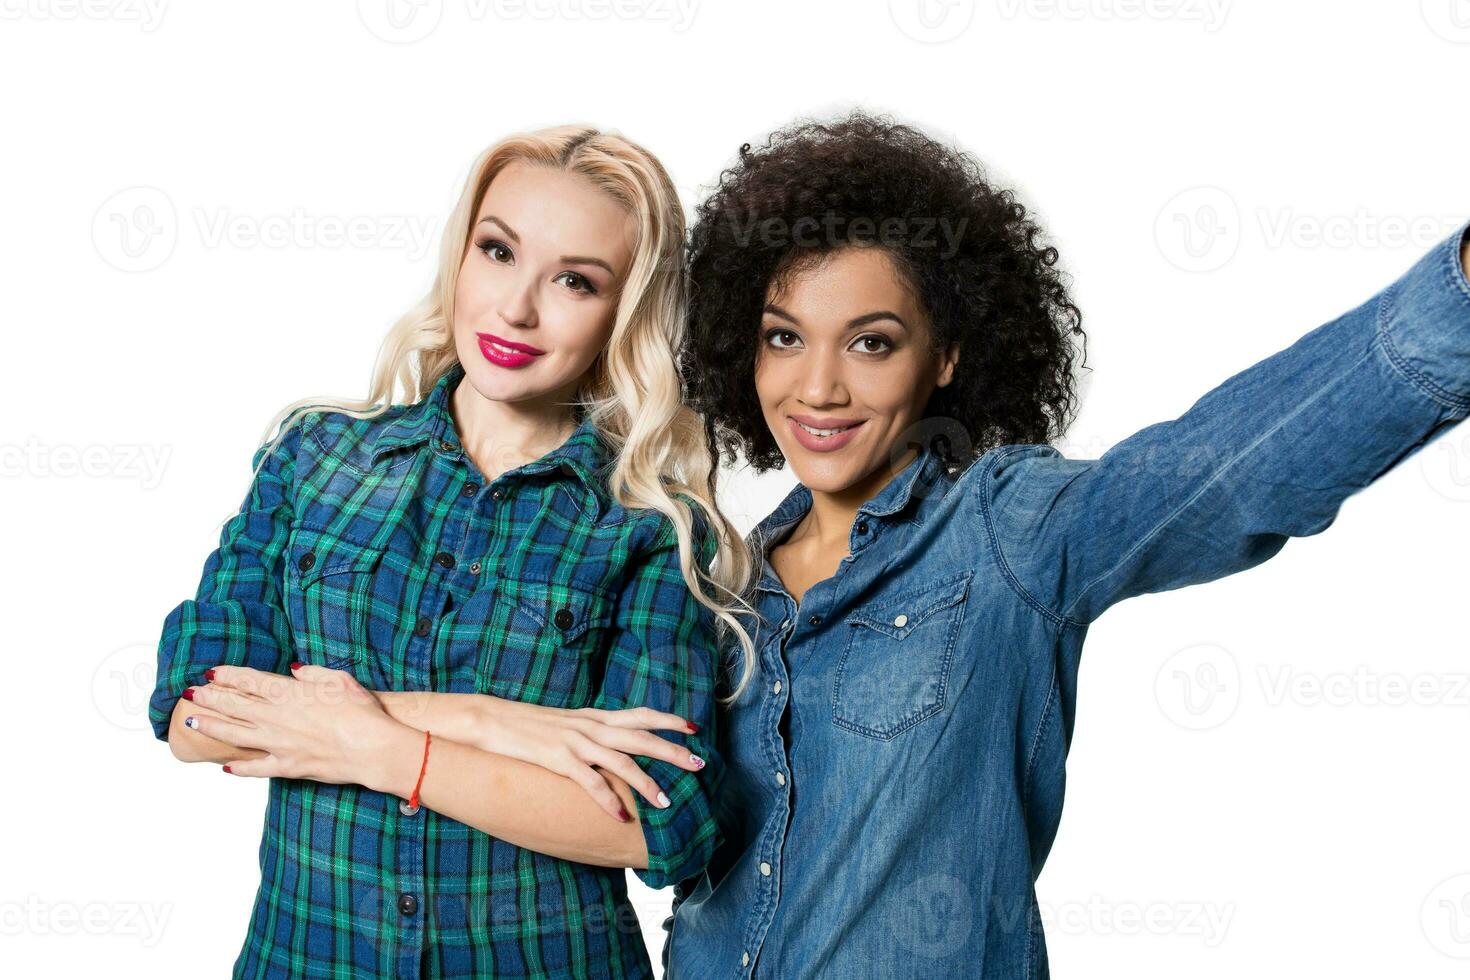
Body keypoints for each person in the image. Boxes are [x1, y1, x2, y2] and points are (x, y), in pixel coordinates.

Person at [662, 111, 1470, 979]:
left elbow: (1226, 476)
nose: (817, 387)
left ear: (945, 356)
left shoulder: (1006, 534)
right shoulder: (715, 585)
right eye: (785, 337)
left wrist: (1454, 300)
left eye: (870, 342)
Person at [148, 124, 757, 979]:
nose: (516, 308)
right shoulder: (314, 457)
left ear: (625, 314)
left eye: (574, 281)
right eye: (499, 252)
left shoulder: (651, 527)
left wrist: (383, 748)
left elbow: (661, 822)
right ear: (460, 255)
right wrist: (492, 723)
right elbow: (196, 714)